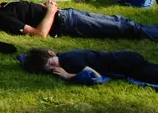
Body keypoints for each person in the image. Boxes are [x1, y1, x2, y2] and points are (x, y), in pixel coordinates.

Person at [0, 0, 158, 40]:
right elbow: (39, 34)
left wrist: (42, 8)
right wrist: (50, 11)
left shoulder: (5, 5)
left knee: (120, 21)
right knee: (124, 27)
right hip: (66, 23)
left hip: (68, 14)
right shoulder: (1, 17)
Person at [23, 48, 158, 85]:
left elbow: (95, 76)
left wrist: (68, 76)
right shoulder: (64, 56)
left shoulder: (70, 60)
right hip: (125, 60)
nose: (55, 67)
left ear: (52, 53)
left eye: (52, 63)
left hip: (126, 63)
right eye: (51, 69)